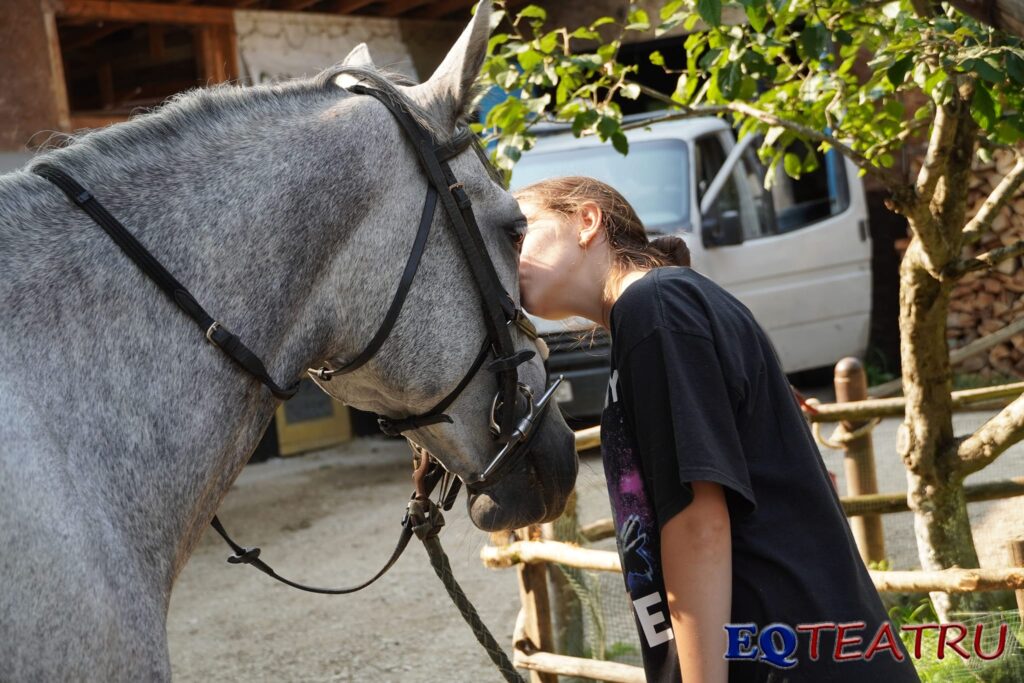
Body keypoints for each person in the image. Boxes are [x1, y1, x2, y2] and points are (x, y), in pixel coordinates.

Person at [512, 176, 920, 683]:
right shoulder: (657, 314)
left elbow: (698, 521)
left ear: (587, 221)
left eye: (518, 233)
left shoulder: (655, 308)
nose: (506, 257)